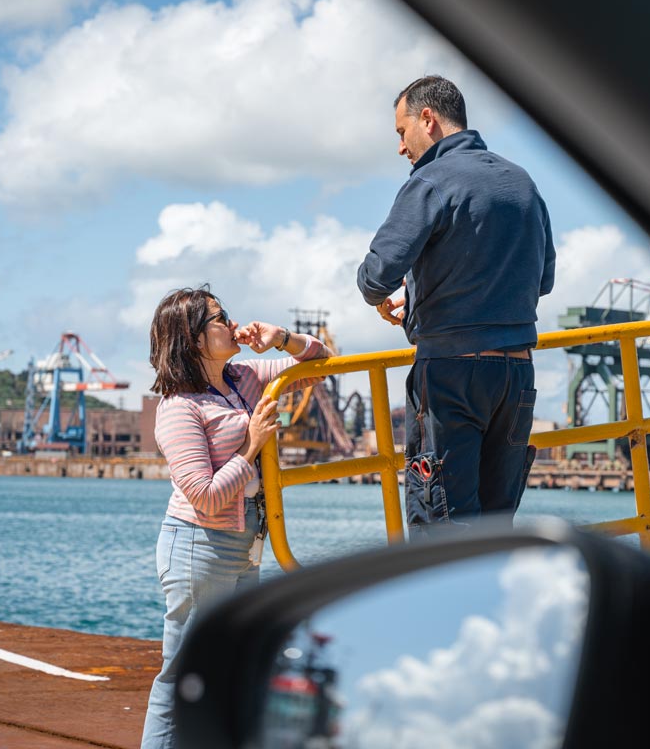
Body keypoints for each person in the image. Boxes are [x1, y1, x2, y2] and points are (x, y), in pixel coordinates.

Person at [357, 75, 556, 536]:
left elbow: (376, 275)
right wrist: (432, 293)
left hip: (452, 375)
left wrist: (388, 298)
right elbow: (542, 281)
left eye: (402, 132)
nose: (401, 148)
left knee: (443, 531)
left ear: (427, 118)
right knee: (495, 529)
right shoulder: (522, 182)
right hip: (516, 377)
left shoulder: (430, 181)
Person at [141, 286, 332, 748]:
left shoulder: (244, 376)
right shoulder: (179, 407)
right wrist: (252, 445)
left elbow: (322, 364)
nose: (231, 322)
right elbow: (205, 496)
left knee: (233, 665)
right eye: (218, 317)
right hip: (199, 544)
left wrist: (280, 338)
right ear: (192, 338)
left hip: (247, 541)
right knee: (182, 673)